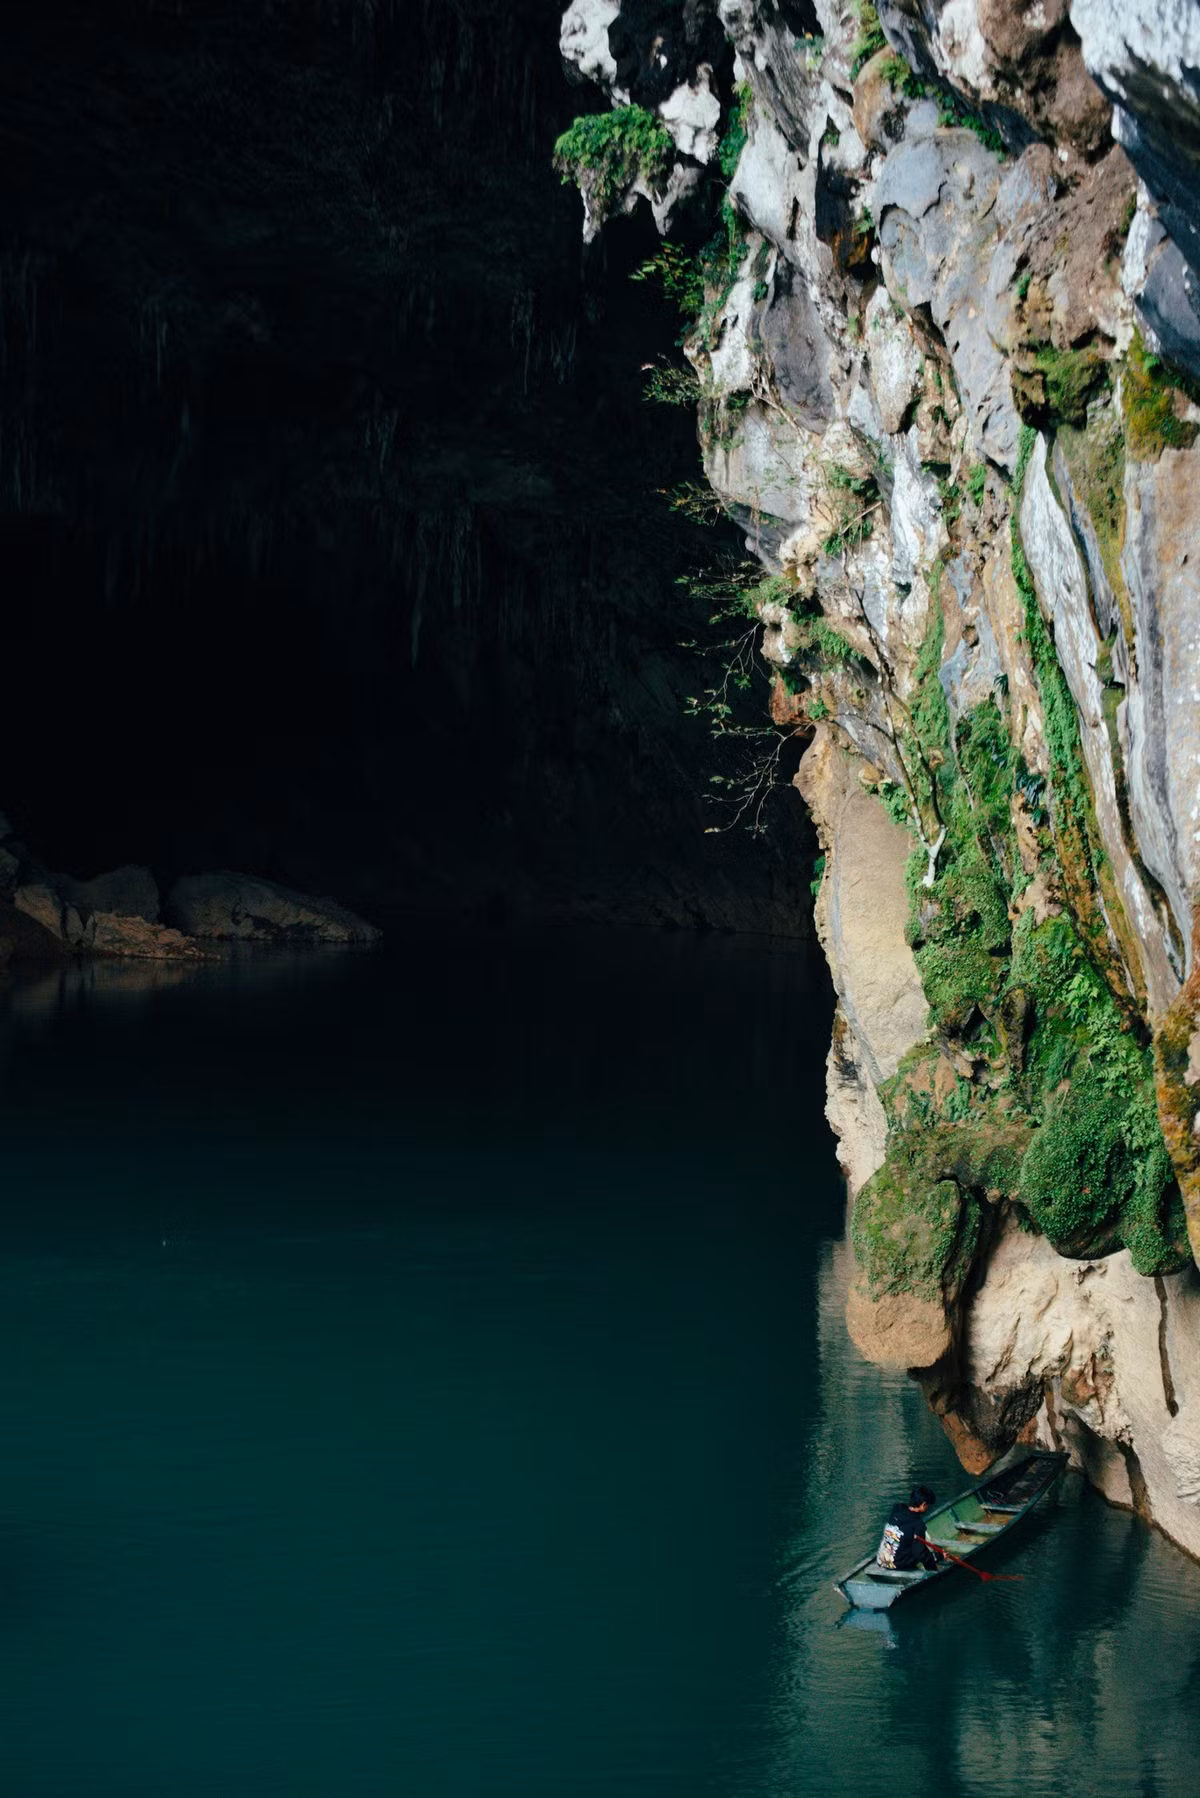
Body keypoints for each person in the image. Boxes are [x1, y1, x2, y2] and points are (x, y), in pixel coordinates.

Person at [876, 1484, 940, 1571]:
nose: (927, 1508)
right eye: (928, 1505)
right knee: (923, 1553)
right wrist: (938, 1557)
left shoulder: (897, 1509)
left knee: (912, 1543)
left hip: (881, 1561)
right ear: (924, 1504)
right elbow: (919, 1554)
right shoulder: (918, 1524)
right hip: (897, 1565)